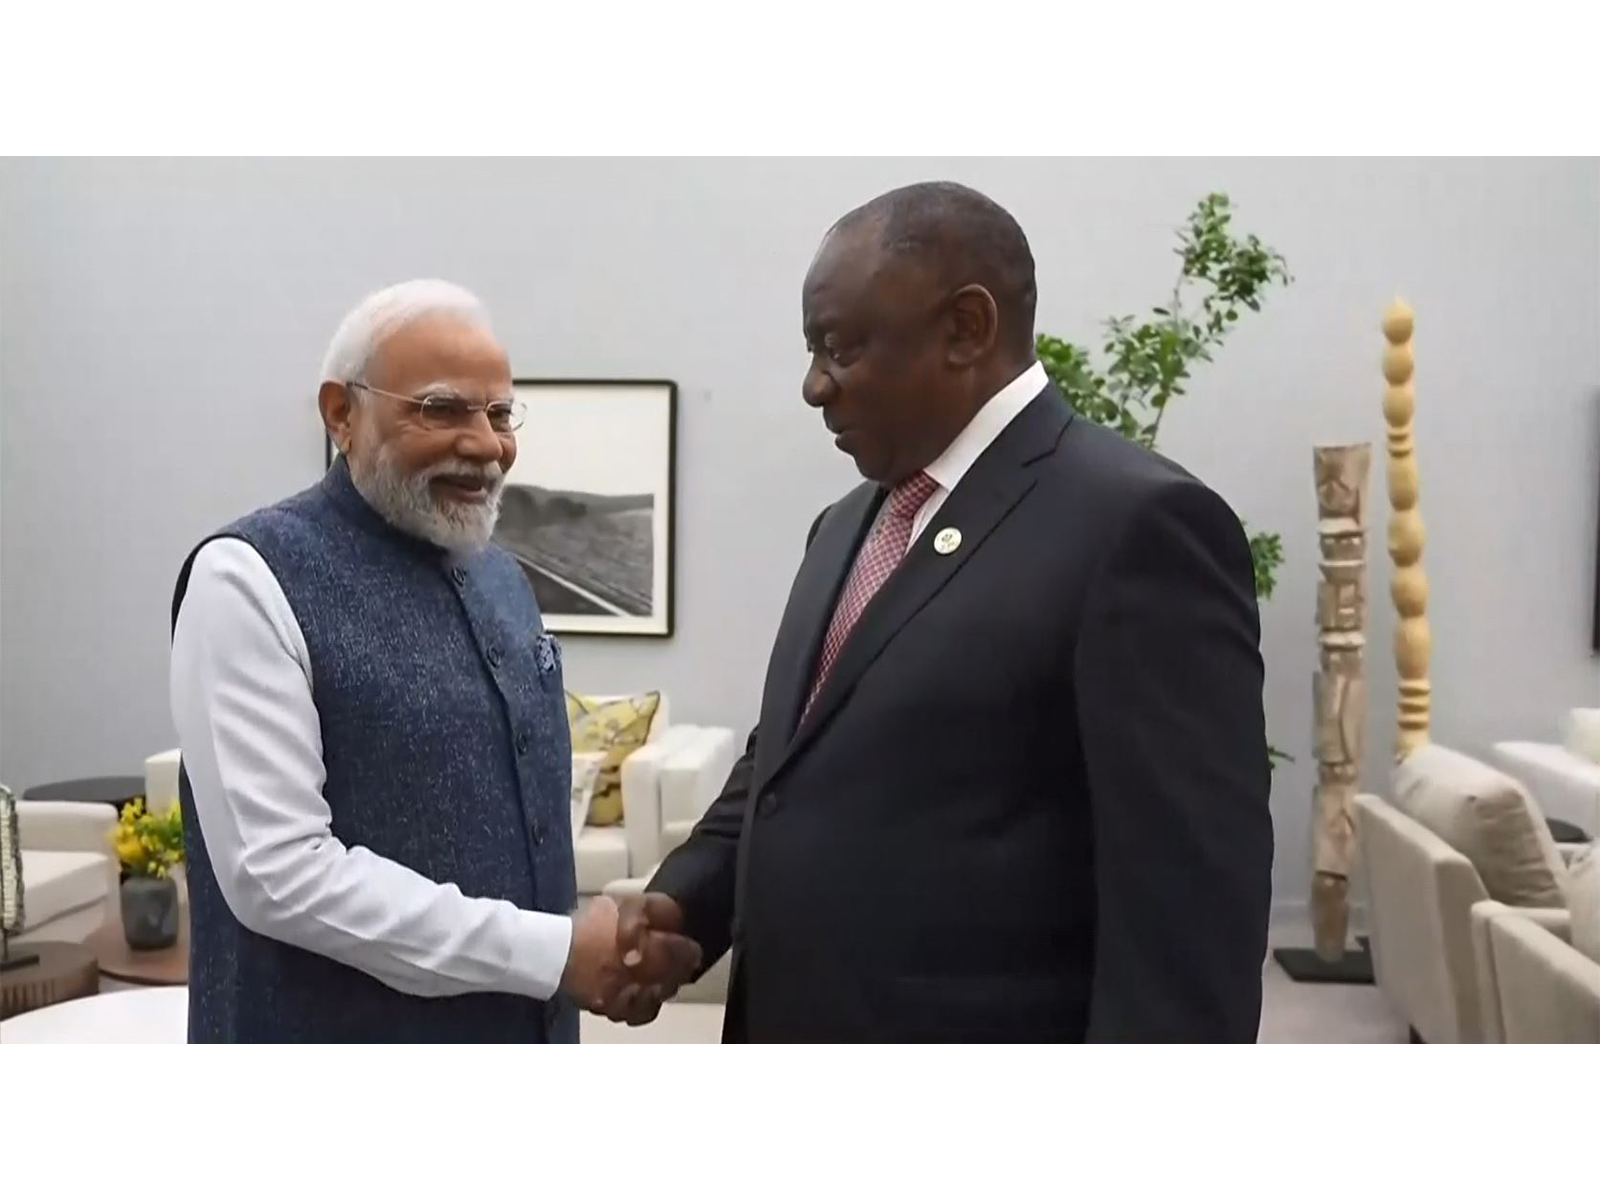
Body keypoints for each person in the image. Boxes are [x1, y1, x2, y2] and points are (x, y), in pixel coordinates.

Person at [610, 183, 1273, 1041]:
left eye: (840, 349)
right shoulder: (847, 525)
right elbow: (788, 763)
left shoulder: (1137, 528)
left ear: (967, 328)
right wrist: (682, 907)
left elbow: (1189, 916)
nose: (815, 386)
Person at [169, 279, 697, 1042]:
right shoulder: (245, 579)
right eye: (442, 408)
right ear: (340, 413)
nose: (486, 444)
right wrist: (555, 952)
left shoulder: (502, 578)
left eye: (501, 413)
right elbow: (280, 877)